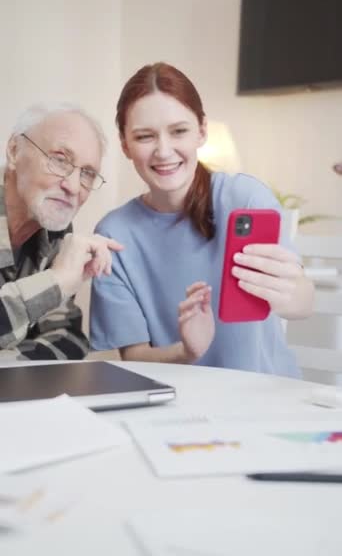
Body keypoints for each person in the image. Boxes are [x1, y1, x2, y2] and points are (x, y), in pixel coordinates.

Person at [90, 62, 314, 377]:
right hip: (179, 406)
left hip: (267, 399)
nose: (164, 151)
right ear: (125, 144)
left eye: (179, 131)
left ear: (202, 131)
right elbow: (135, 357)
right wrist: (187, 351)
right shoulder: (113, 234)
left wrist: (291, 294)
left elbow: (304, 302)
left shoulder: (245, 198)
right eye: (145, 136)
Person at [0, 104, 122, 362]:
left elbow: (69, 338)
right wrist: (56, 280)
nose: (74, 186)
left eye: (87, 173)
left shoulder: (54, 227)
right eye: (59, 159)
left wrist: (10, 363)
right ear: (14, 151)